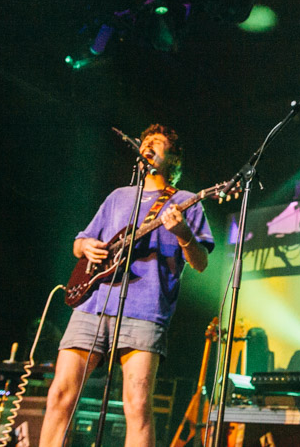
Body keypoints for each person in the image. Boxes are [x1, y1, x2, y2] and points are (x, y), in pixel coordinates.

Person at [39, 124, 214, 447]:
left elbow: (200, 263)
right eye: (145, 142)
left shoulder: (187, 201)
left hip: (145, 310)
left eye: (157, 143)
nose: (147, 146)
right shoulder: (119, 196)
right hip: (92, 302)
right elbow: (80, 242)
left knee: (136, 406)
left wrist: (184, 233)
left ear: (174, 159)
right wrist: (86, 247)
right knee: (61, 394)